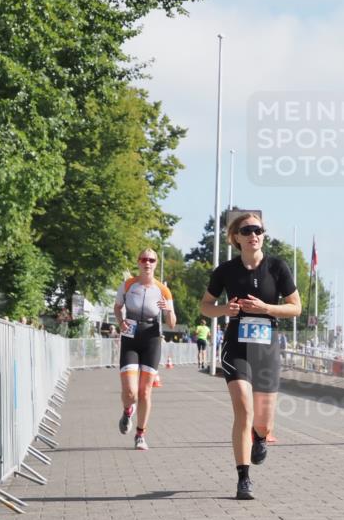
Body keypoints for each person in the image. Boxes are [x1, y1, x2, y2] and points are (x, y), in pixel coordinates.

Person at [200, 213, 301, 500]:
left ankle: (260, 437)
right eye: (247, 230)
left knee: (263, 422)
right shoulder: (226, 270)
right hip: (237, 346)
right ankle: (243, 478)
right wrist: (224, 311)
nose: (254, 234)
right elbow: (205, 306)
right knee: (243, 410)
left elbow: (296, 307)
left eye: (258, 229)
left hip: (267, 348)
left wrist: (266, 308)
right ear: (237, 237)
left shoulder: (277, 267)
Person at [113, 248, 176, 450]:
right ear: (138, 262)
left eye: (151, 260)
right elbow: (117, 307)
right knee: (131, 392)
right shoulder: (128, 285)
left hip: (151, 337)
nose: (147, 263)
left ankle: (140, 435)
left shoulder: (163, 290)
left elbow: (172, 323)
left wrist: (167, 310)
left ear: (155, 264)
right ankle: (127, 410)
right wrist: (121, 320)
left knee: (145, 392)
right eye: (143, 259)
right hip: (130, 336)